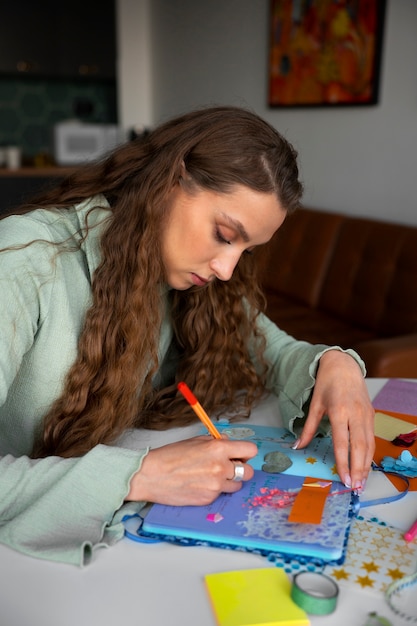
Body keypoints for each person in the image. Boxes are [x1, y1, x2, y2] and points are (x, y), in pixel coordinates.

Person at [0, 106, 374, 566]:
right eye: (223, 234)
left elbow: (273, 351)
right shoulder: (23, 260)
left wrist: (337, 364)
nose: (226, 269)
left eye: (246, 250)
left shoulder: (184, 279)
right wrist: (137, 476)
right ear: (170, 181)